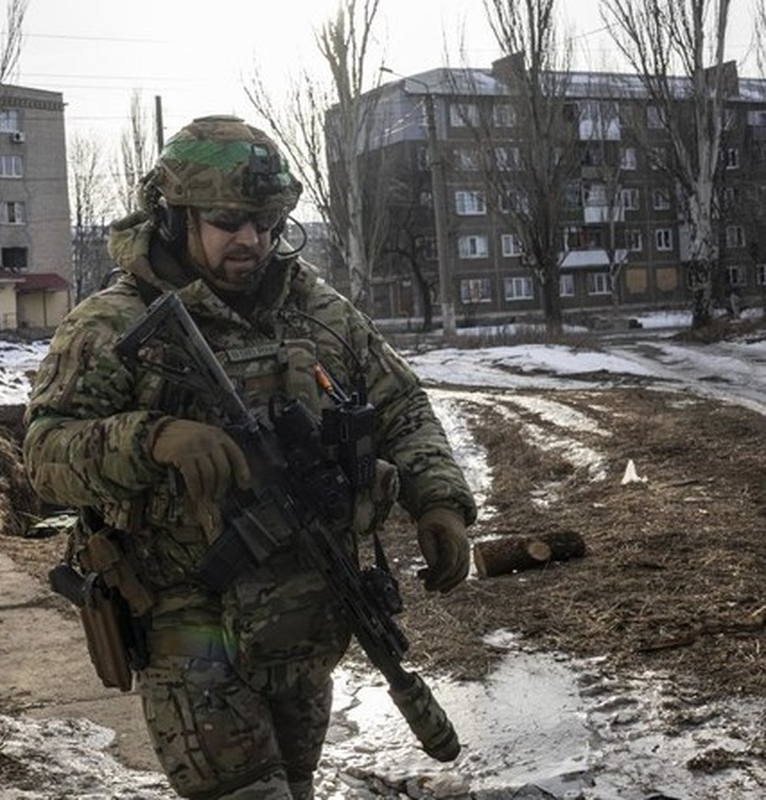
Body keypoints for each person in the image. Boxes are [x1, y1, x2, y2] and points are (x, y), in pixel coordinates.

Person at [23, 115, 477, 800]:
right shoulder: (112, 323)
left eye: (266, 222)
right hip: (190, 630)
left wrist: (439, 501)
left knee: (295, 788)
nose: (252, 240)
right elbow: (45, 453)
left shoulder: (317, 311)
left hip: (305, 624)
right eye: (229, 220)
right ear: (176, 217)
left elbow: (402, 408)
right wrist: (152, 438)